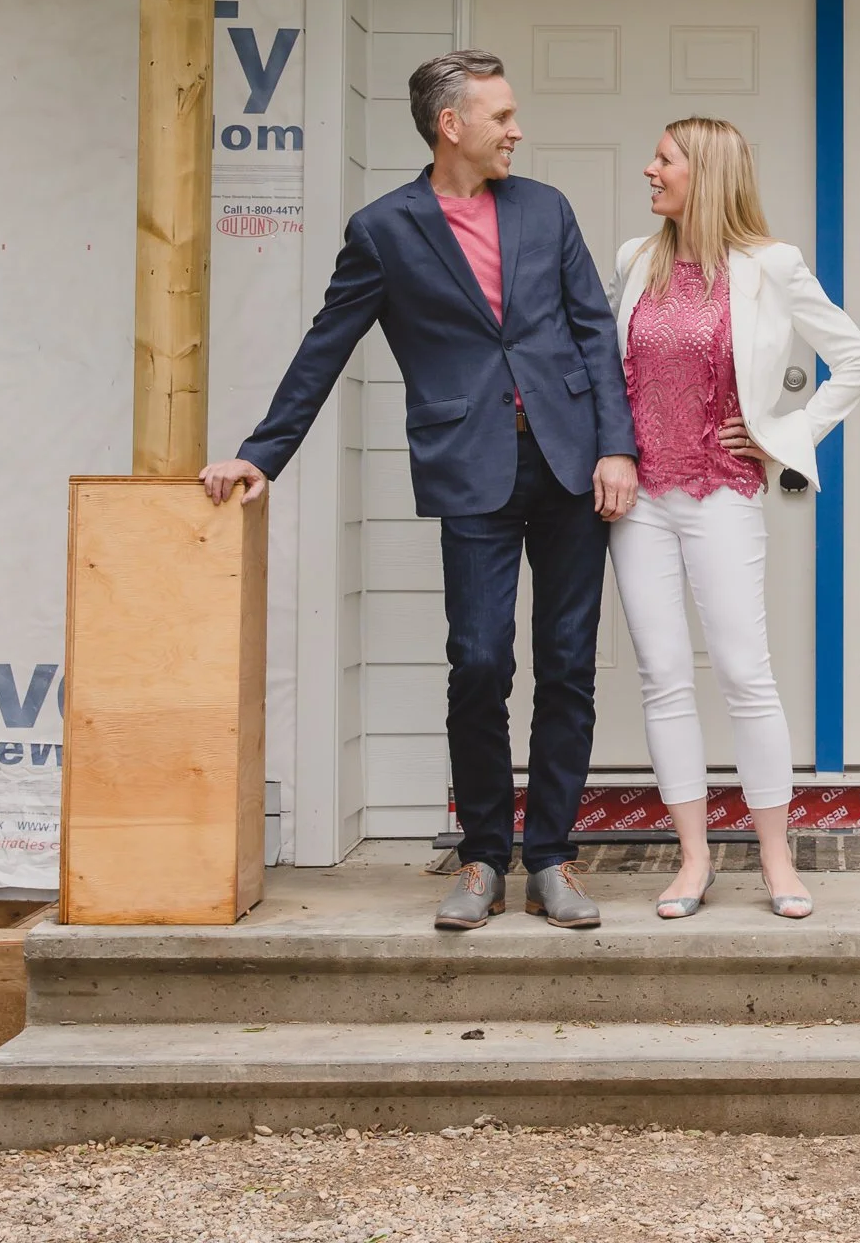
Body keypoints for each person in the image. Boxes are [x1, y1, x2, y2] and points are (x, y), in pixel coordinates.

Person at [200, 48, 638, 934]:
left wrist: (616, 449)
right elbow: (326, 347)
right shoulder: (384, 230)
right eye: (502, 115)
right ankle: (483, 854)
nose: (517, 129)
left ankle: (551, 857)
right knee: (478, 662)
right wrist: (263, 453)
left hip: (568, 462)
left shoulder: (546, 210)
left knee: (568, 666)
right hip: (470, 466)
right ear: (453, 125)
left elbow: (594, 331)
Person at [609, 118, 860, 921]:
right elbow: (608, 370)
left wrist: (780, 437)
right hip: (640, 503)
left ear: (706, 172)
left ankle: (775, 857)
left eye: (664, 159)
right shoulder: (633, 260)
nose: (649, 169)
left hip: (723, 492)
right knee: (663, 676)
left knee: (743, 674)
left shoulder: (771, 266)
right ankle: (692, 860)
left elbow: (856, 360)